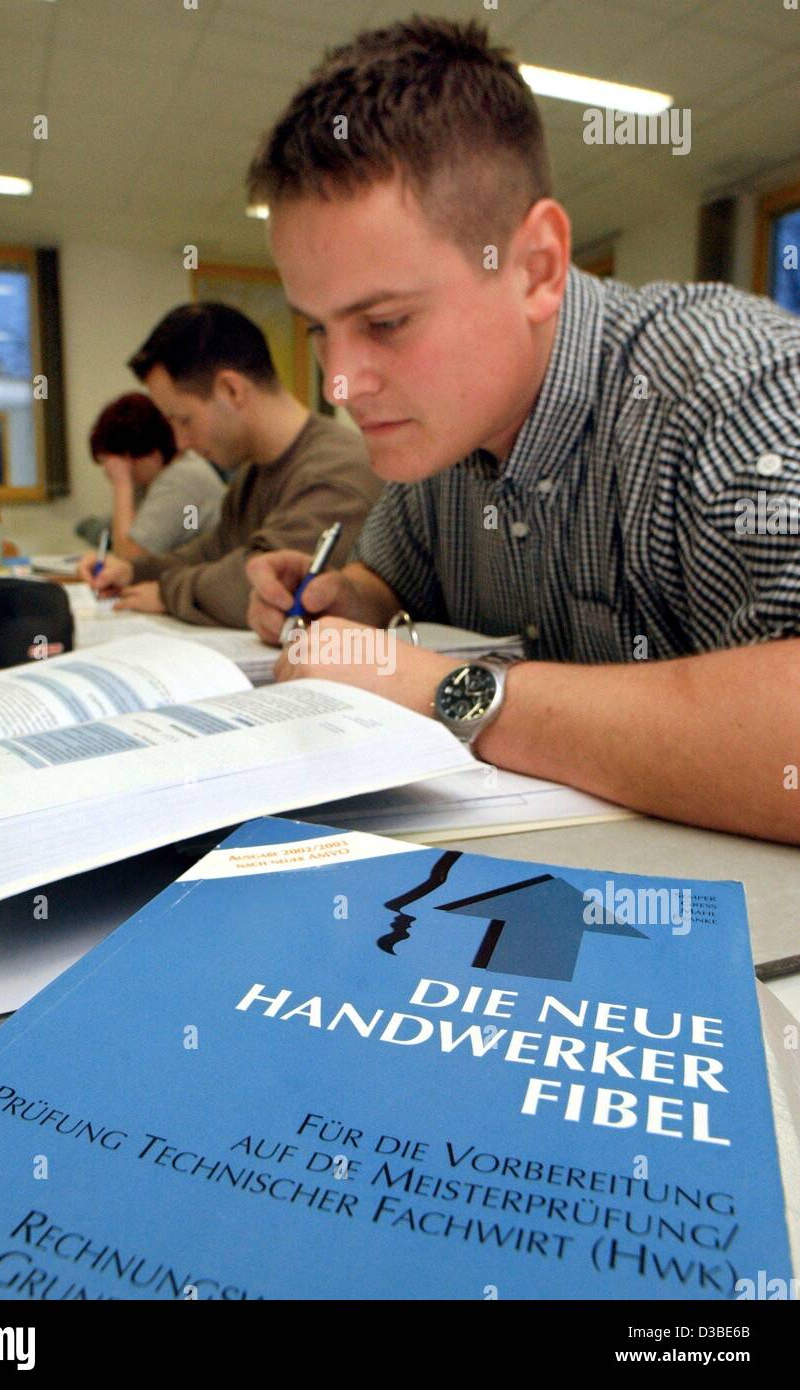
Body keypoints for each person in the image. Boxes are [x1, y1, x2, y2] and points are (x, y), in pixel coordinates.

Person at [243, 16, 800, 845]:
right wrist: (346, 601)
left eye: (388, 322)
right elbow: (396, 585)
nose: (340, 383)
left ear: (535, 267)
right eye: (320, 328)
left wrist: (447, 691)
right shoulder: (435, 436)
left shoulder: (732, 382)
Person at [79, 302, 381, 627]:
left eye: (184, 420)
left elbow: (260, 586)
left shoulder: (336, 471)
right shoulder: (254, 472)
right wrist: (134, 571)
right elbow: (211, 552)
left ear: (231, 390)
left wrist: (167, 592)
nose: (181, 443)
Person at [85, 392, 226, 561]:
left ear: (145, 455)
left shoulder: (181, 479)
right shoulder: (160, 477)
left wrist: (122, 484)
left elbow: (130, 560)